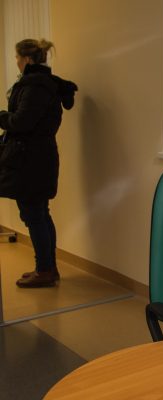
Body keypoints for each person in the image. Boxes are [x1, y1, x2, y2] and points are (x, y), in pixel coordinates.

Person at [0, 39, 77, 288]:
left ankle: (44, 270)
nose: (16, 62)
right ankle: (47, 267)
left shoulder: (35, 86)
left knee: (34, 215)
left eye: (17, 57)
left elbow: (22, 122)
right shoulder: (45, 84)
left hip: (30, 161)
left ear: (27, 59)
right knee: (39, 214)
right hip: (38, 158)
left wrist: (2, 117)